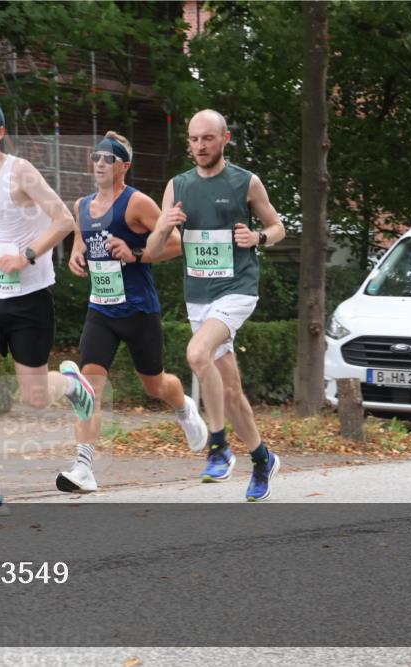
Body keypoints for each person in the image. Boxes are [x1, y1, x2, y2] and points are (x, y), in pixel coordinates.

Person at [0, 99, 95, 517]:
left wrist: (26, 255)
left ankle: (75, 386)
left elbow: (63, 220)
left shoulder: (20, 172)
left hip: (28, 299)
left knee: (36, 395)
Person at [146, 109, 286, 501]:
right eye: (193, 139)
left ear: (224, 139)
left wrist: (257, 238)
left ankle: (219, 445)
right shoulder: (178, 186)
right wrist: (162, 226)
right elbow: (154, 250)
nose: (200, 146)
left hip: (238, 289)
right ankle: (262, 458)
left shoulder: (245, 181)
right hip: (199, 297)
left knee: (196, 352)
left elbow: (278, 227)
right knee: (230, 389)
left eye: (208, 138)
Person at [57, 131, 208, 493]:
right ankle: (83, 466)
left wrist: (135, 252)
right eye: (96, 157)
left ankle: (184, 407)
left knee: (154, 383)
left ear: (125, 166)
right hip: (101, 310)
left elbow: (176, 244)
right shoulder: (82, 206)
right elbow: (81, 242)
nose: (99, 164)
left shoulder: (137, 203)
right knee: (89, 385)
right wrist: (77, 257)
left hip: (139, 309)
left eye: (108, 158)